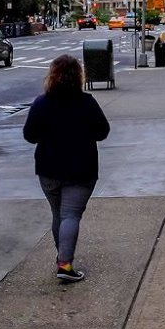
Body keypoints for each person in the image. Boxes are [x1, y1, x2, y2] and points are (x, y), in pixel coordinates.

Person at [23, 54, 110, 282]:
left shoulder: (41, 103)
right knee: (70, 214)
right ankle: (65, 263)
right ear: (79, 76)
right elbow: (102, 131)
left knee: (58, 214)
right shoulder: (86, 102)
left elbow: (29, 135)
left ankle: (62, 258)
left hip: (48, 169)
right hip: (81, 168)